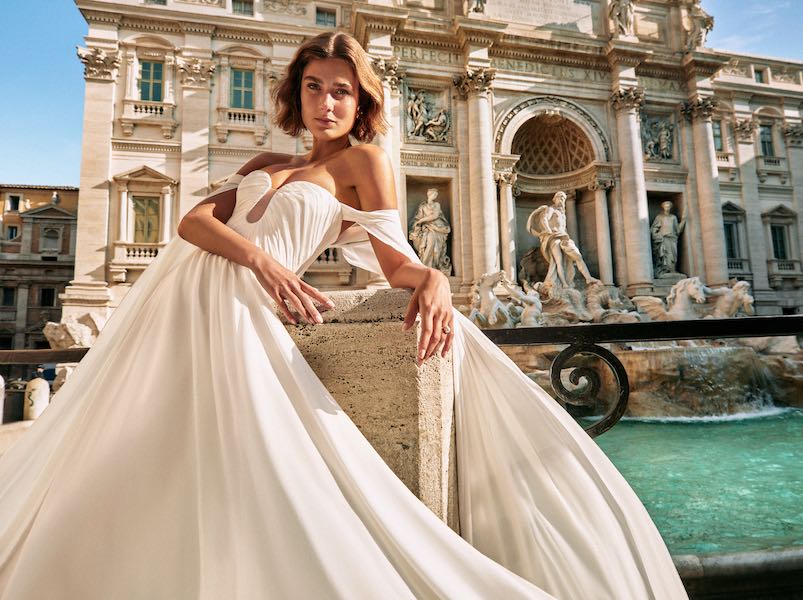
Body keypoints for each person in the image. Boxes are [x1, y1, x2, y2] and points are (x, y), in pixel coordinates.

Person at [0, 31, 688, 599]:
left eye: (340, 89)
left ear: (359, 99)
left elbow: (396, 262)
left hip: (241, 316)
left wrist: (435, 283)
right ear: (294, 93)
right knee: (139, 450)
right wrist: (265, 262)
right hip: (184, 302)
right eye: (313, 87)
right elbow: (188, 223)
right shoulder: (270, 159)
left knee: (253, 464)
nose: (325, 101)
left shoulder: (365, 161)